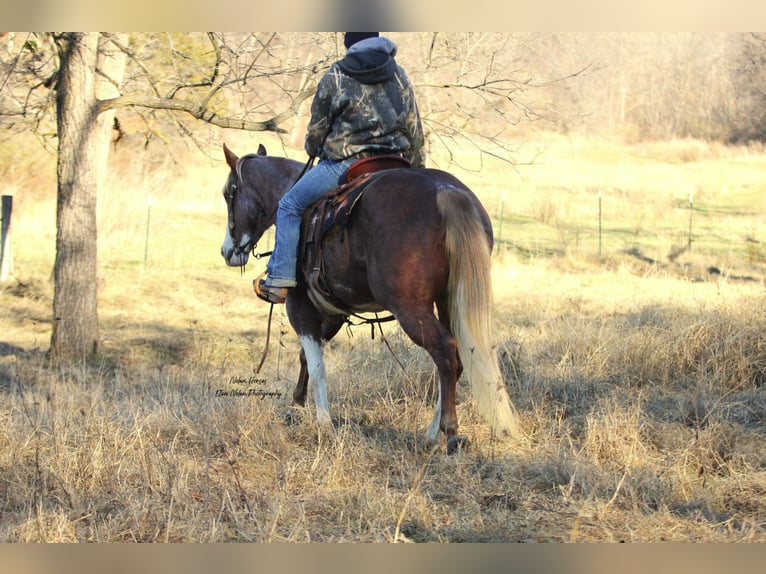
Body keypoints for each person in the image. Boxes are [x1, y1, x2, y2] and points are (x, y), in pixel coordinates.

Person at [256, 32, 426, 304]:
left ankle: (279, 279)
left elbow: (318, 128)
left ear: (349, 41)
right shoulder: (399, 75)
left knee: (288, 205)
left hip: (348, 165)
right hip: (395, 165)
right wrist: (418, 172)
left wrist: (313, 146)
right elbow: (415, 130)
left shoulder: (336, 75)